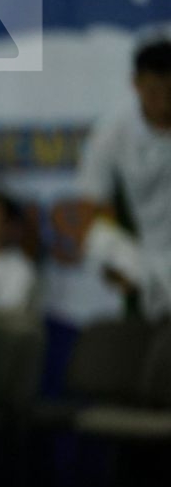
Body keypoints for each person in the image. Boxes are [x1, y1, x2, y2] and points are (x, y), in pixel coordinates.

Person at [76, 37, 171, 319]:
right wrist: (115, 265)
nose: (164, 102)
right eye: (155, 92)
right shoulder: (112, 132)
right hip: (140, 256)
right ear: (136, 84)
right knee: (100, 240)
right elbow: (91, 208)